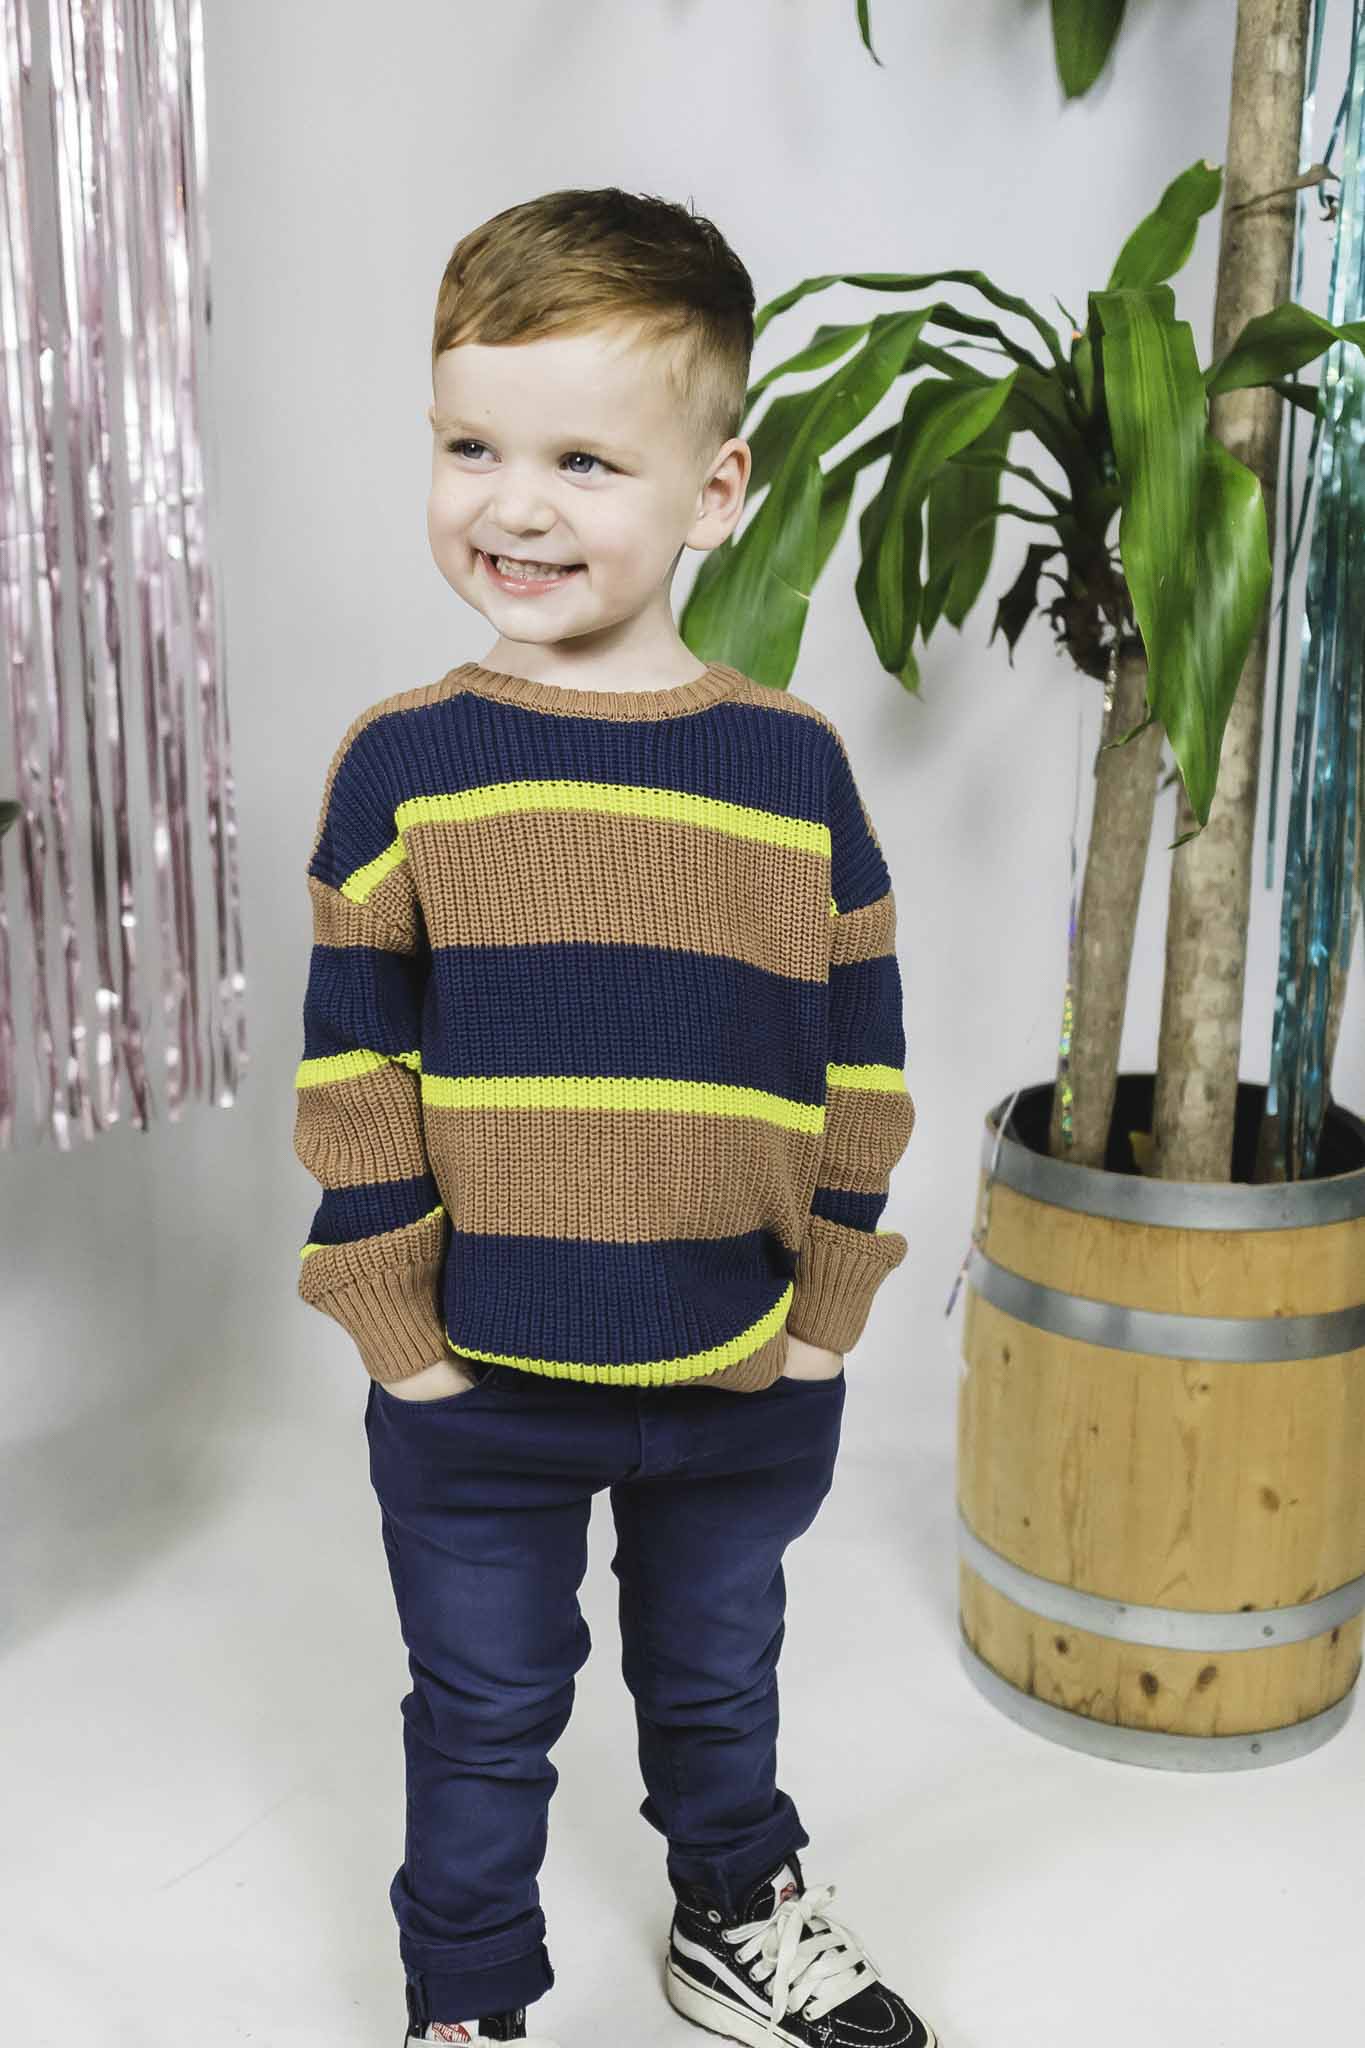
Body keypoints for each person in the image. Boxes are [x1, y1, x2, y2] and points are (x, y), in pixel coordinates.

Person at [293, 186, 934, 2048]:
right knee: (483, 1713)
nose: (514, 504)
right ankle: (468, 1997)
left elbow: (858, 1055)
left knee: (718, 1683)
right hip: (477, 1384)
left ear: (715, 492)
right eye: (470, 447)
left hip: (738, 1369)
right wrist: (396, 1332)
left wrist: (826, 1319)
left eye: (582, 460)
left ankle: (733, 1911)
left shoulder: (789, 770)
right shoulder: (405, 763)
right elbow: (354, 1066)